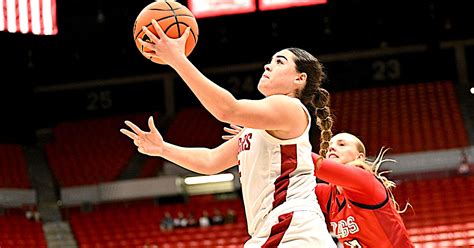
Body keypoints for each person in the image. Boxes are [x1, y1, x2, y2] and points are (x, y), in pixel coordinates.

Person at [121, 20, 336, 247]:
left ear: (299, 79)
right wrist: (162, 148)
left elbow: (227, 109)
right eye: (270, 60)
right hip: (274, 229)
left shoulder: (290, 108)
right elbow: (211, 161)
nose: (267, 66)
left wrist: (177, 59)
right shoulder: (259, 126)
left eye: (279, 62)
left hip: (293, 227)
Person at [224, 127, 414, 247]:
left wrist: (267, 137)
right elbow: (289, 183)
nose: (332, 148)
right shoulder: (328, 194)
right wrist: (253, 145)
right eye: (330, 144)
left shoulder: (366, 182)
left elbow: (307, 161)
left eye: (341, 144)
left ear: (359, 157)